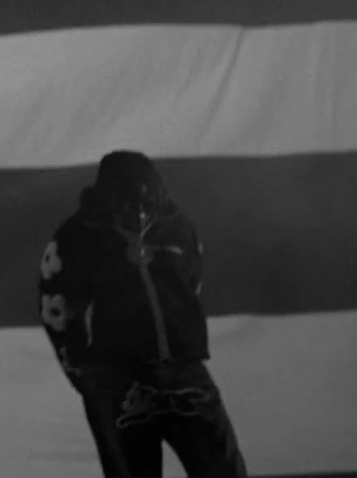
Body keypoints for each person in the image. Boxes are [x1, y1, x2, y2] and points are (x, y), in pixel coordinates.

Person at [38, 149, 247, 477]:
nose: (139, 205)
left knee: (223, 470)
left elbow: (190, 285)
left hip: (183, 373)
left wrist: (179, 338)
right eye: (128, 196)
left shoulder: (179, 226)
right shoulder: (75, 237)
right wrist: (84, 374)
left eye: (147, 193)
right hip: (116, 380)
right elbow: (55, 308)